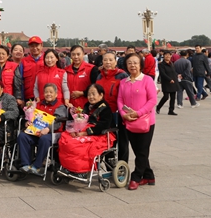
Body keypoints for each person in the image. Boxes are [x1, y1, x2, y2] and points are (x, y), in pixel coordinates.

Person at [117, 52, 157, 190]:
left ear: (140, 65)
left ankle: (136, 176)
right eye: (129, 63)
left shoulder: (147, 80)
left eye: (135, 62)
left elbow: (152, 100)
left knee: (142, 151)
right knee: (138, 150)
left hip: (146, 121)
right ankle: (149, 175)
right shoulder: (123, 82)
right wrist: (124, 114)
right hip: (129, 121)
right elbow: (120, 100)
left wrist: (138, 113)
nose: (132, 65)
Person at [58, 84, 113, 178]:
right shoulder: (87, 105)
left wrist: (85, 133)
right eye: (89, 94)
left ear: (101, 95)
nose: (91, 97)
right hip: (84, 130)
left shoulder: (105, 108)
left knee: (79, 145)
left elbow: (103, 126)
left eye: (93, 94)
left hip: (100, 134)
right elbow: (82, 119)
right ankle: (69, 167)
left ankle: (82, 170)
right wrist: (75, 129)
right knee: (66, 139)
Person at [17, 83, 67, 176]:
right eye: (46, 92)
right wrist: (27, 122)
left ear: (56, 94)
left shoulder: (60, 106)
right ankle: (26, 164)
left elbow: (58, 122)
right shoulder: (38, 105)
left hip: (54, 133)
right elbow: (31, 117)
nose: (48, 94)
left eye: (51, 92)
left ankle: (37, 166)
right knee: (22, 136)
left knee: (44, 139)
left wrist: (48, 129)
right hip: (37, 132)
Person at [65, 45, 96, 110]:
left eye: (78, 54)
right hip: (69, 106)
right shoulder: (65, 70)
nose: (76, 57)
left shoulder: (91, 69)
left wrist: (82, 93)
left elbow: (96, 88)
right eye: (73, 54)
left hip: (86, 106)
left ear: (83, 54)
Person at [19, 36, 44, 101]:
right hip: (29, 97)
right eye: (32, 46)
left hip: (45, 96)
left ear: (41, 45)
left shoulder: (47, 59)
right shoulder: (24, 61)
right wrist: (22, 98)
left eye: (37, 45)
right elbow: (21, 81)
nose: (34, 48)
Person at [156, 51, 179, 116]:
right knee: (166, 97)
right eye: (166, 55)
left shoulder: (172, 64)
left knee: (173, 97)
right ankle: (158, 107)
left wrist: (177, 76)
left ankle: (171, 110)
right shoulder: (161, 64)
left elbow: (174, 72)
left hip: (174, 82)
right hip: (166, 82)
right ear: (163, 56)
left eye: (169, 55)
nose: (168, 56)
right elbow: (163, 74)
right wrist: (169, 79)